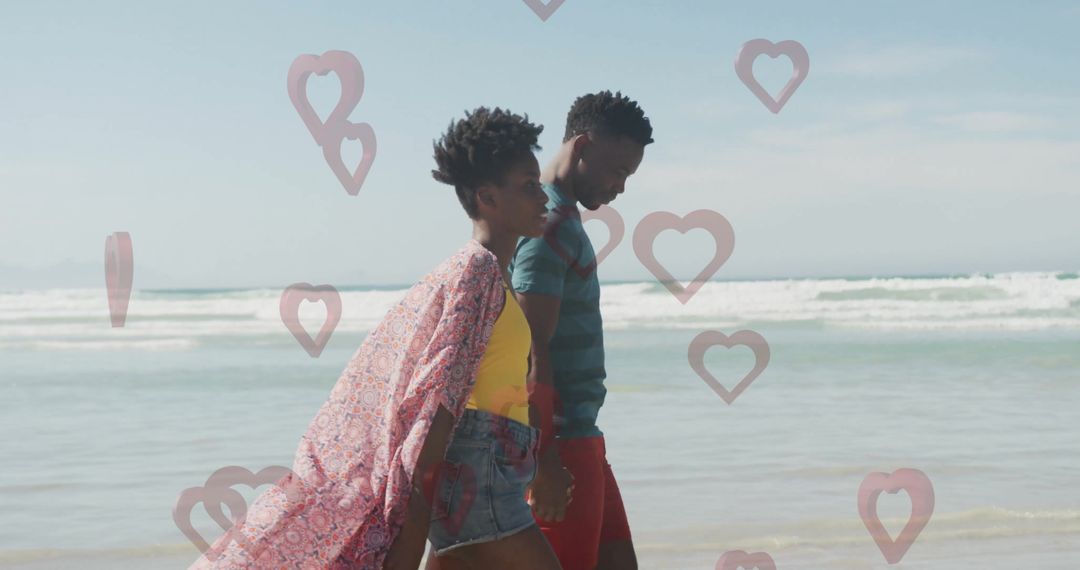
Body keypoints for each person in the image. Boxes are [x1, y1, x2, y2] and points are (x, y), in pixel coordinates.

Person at [187, 107, 560, 570]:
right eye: (528, 185)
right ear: (487, 197)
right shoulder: (477, 271)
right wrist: (409, 533)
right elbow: (437, 403)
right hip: (481, 489)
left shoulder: (491, 275)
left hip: (492, 478)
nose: (542, 196)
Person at [510, 90, 654, 570]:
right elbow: (530, 350)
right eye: (618, 171)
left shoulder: (561, 218)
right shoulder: (548, 224)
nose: (621, 187)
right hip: (561, 446)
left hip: (582, 438)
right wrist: (544, 458)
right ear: (582, 147)